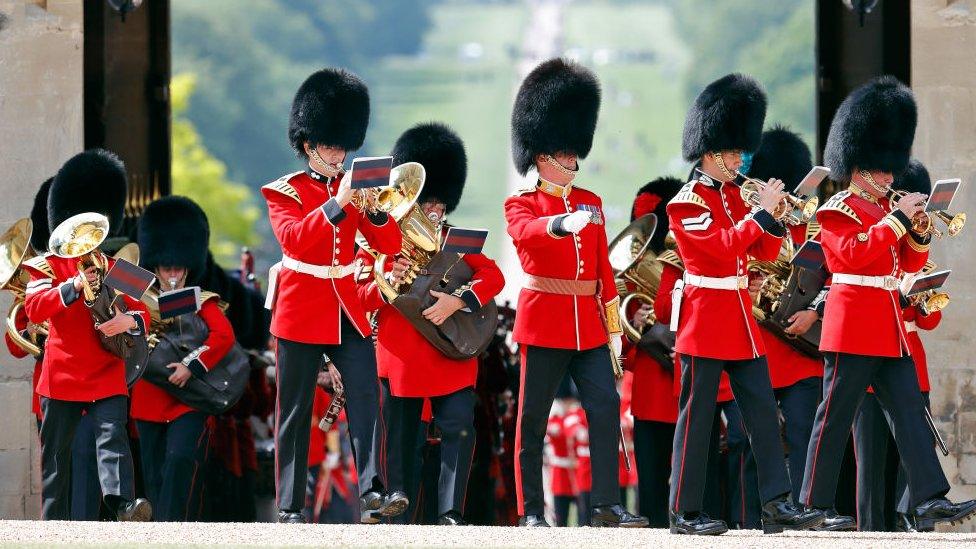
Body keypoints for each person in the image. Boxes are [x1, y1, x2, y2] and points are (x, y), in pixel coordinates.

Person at [799, 75, 976, 532]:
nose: (890, 178)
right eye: (882, 171)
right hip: (853, 323)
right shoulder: (836, 208)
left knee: (910, 416)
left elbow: (908, 260)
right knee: (834, 418)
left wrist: (917, 228)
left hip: (886, 326)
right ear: (860, 169)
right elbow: (853, 255)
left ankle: (930, 498)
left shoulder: (883, 210)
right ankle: (813, 504)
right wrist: (897, 220)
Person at [666, 73, 823, 535]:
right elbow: (718, 247)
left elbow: (762, 253)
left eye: (738, 151)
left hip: (738, 317)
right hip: (705, 316)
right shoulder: (686, 202)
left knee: (760, 414)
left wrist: (775, 217)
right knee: (695, 422)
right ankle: (684, 511)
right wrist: (760, 215)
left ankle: (776, 501)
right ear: (711, 153)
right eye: (732, 152)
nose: (739, 159)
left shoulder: (736, 196)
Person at [504, 57, 648, 528]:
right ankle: (529, 511)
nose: (574, 162)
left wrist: (614, 331)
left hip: (588, 324)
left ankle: (605, 504)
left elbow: (603, 271)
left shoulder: (592, 202)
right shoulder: (521, 202)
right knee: (533, 421)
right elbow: (526, 234)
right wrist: (561, 224)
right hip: (544, 321)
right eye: (567, 155)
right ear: (543, 156)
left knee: (605, 409)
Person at [262, 67, 404, 524]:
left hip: (346, 306)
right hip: (301, 307)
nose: (339, 154)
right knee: (295, 409)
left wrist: (377, 212)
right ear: (309, 145)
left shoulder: (354, 189)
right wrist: (340, 203)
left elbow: (390, 247)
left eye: (344, 145)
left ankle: (373, 490)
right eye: (330, 145)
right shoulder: (284, 191)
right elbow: (296, 242)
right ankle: (289, 504)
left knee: (366, 395)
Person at [357, 122, 505, 525]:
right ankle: (397, 502)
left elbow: (493, 278)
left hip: (449, 357)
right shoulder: (383, 246)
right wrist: (387, 273)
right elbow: (362, 297)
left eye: (440, 203)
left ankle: (450, 511)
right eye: (428, 203)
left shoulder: (458, 240)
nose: (435, 211)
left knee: (459, 429)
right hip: (402, 353)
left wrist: (458, 300)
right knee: (403, 440)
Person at [23, 149, 152, 521]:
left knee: (114, 442)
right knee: (57, 459)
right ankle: (53, 523)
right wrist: (74, 286)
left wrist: (128, 323)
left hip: (105, 370)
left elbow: (147, 308)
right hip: (62, 374)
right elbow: (35, 308)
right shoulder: (44, 267)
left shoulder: (114, 266)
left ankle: (121, 505)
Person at [850, 159, 945, 532]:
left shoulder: (910, 245)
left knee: (914, 455)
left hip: (908, 363)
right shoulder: (876, 233)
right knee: (870, 464)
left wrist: (919, 295)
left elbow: (930, 320)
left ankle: (918, 522)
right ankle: (871, 532)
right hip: (872, 363)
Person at [130, 196, 236, 521]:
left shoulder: (202, 301)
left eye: (178, 267)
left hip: (188, 400)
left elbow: (224, 336)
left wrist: (192, 364)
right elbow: (107, 286)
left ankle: (176, 534)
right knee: (155, 477)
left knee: (180, 463)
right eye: (166, 267)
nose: (173, 273)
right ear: (155, 266)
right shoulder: (137, 293)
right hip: (149, 401)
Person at [622, 176, 683, 527]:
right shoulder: (634, 273)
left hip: (688, 385)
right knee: (652, 490)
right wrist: (638, 320)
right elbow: (620, 338)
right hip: (651, 391)